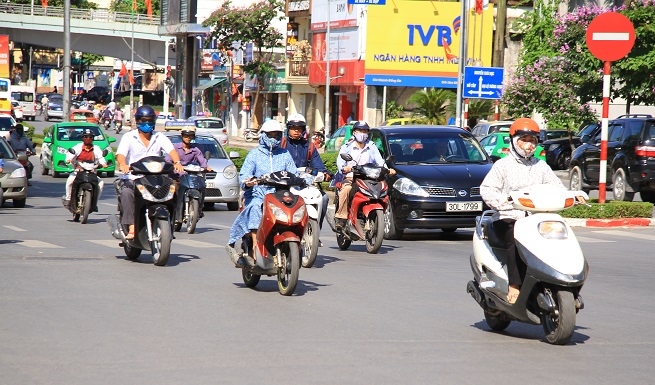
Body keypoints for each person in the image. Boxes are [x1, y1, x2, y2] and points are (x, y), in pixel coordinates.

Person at [480, 118, 569, 304]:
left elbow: (557, 187)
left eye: (533, 141)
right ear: (513, 140)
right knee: (515, 236)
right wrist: (501, 201)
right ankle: (514, 285)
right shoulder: (502, 166)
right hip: (508, 216)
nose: (529, 145)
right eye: (524, 140)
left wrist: (572, 196)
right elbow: (487, 189)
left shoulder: (541, 166)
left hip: (536, 219)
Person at [226, 120, 297, 267]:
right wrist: (248, 181)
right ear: (263, 135)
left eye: (277, 135)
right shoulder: (254, 155)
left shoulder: (285, 154)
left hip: (280, 195)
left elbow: (294, 173)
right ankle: (255, 246)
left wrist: (305, 179)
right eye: (270, 135)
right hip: (258, 194)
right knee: (256, 208)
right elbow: (244, 175)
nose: (274, 138)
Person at [115, 105, 184, 240]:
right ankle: (131, 225)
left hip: (155, 177)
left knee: (172, 190)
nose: (147, 123)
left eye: (150, 120)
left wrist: (177, 163)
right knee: (127, 193)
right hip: (134, 177)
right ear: (138, 121)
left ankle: (171, 223)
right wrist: (123, 164)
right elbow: (121, 154)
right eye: (144, 120)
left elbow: (172, 151)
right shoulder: (129, 137)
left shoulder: (159, 137)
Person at [334, 121, 396, 230]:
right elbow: (340, 162)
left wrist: (388, 170)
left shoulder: (371, 146)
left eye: (365, 131)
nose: (363, 133)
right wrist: (345, 168)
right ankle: (341, 218)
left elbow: (380, 161)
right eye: (360, 131)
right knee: (346, 189)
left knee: (382, 188)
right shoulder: (347, 147)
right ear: (354, 132)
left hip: (368, 177)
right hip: (351, 177)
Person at [280, 113, 331, 242]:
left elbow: (318, 166)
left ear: (303, 130)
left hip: (304, 183)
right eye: (293, 127)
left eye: (299, 128)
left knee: (324, 198)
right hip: (283, 184)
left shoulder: (310, 146)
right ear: (288, 128)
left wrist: (324, 173)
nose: (296, 130)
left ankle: (314, 232)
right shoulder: (281, 145)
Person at [165, 126, 213, 222]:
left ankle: (199, 208)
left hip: (190, 176)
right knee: (173, 191)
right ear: (182, 136)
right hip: (176, 176)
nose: (188, 138)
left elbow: (202, 161)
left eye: (191, 136)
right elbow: (167, 160)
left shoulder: (196, 150)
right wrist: (174, 165)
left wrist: (206, 167)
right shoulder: (174, 148)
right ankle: (172, 211)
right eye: (186, 135)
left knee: (202, 186)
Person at [62, 128, 108, 210]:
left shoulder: (96, 148)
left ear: (93, 138)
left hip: (92, 172)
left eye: (90, 137)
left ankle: (94, 203)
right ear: (82, 138)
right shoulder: (78, 147)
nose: (88, 139)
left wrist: (104, 164)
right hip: (78, 172)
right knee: (70, 181)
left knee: (101, 183)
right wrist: (68, 160)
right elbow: (71, 153)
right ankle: (68, 199)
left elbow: (101, 157)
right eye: (86, 137)